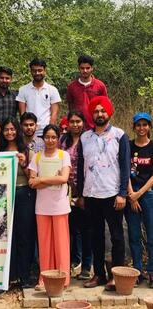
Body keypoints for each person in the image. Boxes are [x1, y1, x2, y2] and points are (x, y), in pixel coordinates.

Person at [77, 96, 130, 290]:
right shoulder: (85, 137)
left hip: (112, 194)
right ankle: (98, 274)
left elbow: (125, 167)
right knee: (95, 236)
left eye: (103, 111)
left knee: (116, 236)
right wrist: (81, 194)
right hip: (91, 194)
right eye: (96, 111)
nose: (100, 114)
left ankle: (116, 275)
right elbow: (81, 167)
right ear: (92, 114)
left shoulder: (119, 135)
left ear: (109, 112)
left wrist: (122, 193)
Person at [28, 125, 72, 289]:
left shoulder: (63, 155)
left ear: (58, 138)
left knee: (61, 244)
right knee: (45, 244)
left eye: (54, 137)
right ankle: (44, 278)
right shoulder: (37, 157)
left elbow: (64, 179)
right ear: (43, 138)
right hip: (42, 207)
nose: (50, 140)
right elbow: (32, 182)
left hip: (60, 206)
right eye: (47, 137)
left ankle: (63, 279)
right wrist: (50, 179)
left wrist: (41, 179)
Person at [0, 117, 36, 288]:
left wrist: (24, 163)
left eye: (12, 129)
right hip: (4, 197)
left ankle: (25, 276)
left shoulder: (27, 151)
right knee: (6, 237)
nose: (9, 132)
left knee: (24, 236)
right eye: (6, 129)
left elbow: (32, 179)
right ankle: (9, 276)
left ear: (17, 131)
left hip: (24, 195)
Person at [59, 111, 92, 280]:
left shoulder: (88, 140)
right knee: (71, 230)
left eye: (78, 121)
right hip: (65, 192)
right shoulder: (62, 141)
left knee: (86, 229)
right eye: (72, 121)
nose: (75, 125)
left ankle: (87, 266)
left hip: (84, 191)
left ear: (83, 122)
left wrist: (83, 195)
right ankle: (72, 263)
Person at [126, 112, 153, 288]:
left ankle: (151, 271)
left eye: (145, 125)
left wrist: (139, 194)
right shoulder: (128, 146)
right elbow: (124, 170)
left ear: (149, 127)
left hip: (148, 194)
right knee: (134, 235)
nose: (141, 128)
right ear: (134, 127)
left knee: (151, 235)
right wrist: (131, 194)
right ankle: (137, 271)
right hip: (131, 194)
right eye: (138, 125)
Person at [17, 58, 61, 135]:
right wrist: (26, 129)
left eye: (40, 70)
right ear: (31, 72)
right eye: (34, 70)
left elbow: (54, 113)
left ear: (45, 71)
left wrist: (50, 130)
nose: (37, 73)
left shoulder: (52, 90)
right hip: (29, 130)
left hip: (46, 130)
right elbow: (22, 113)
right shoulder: (23, 90)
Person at [66, 55, 108, 129]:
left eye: (87, 68)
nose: (85, 71)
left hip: (96, 127)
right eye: (82, 68)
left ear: (92, 68)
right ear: (78, 68)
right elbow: (70, 107)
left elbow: (105, 107)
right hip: (78, 128)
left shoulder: (100, 85)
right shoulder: (72, 87)